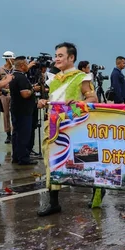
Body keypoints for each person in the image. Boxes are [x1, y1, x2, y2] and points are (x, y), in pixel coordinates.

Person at [36, 42, 99, 216]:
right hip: (54, 126)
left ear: (71, 57)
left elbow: (92, 100)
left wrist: (76, 107)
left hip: (75, 126)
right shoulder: (54, 79)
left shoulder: (82, 77)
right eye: (56, 55)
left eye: (60, 56)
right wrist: (42, 102)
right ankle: (54, 202)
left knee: (85, 160)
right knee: (51, 161)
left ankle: (97, 191)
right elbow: (52, 100)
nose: (57, 59)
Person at [9, 56, 38, 165]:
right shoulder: (21, 78)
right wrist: (33, 89)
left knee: (16, 134)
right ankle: (23, 158)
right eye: (26, 64)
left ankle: (16, 156)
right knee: (24, 135)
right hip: (24, 111)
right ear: (22, 66)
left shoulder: (13, 76)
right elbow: (25, 94)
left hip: (16, 109)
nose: (28, 66)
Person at [0, 51, 16, 144]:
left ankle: (15, 132)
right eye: (12, 58)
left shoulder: (15, 69)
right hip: (4, 95)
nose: (13, 60)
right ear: (8, 59)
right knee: (6, 114)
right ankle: (8, 135)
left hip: (14, 94)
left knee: (15, 114)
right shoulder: (0, 70)